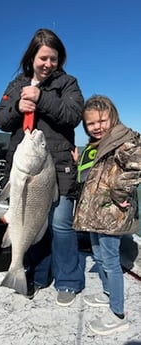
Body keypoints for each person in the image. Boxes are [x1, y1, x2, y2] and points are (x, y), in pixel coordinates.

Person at [0, 28, 85, 306]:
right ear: (32, 56)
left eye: (54, 59)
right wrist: (16, 107)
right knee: (30, 222)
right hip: (24, 167)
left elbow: (73, 115)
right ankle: (36, 274)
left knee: (60, 223)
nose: (48, 64)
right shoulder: (15, 85)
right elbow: (0, 119)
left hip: (57, 166)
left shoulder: (68, 83)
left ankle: (68, 280)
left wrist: (41, 98)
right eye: (43, 58)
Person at [73, 95, 141, 335]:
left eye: (102, 120)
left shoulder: (124, 139)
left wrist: (119, 192)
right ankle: (109, 294)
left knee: (111, 262)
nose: (97, 127)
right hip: (96, 216)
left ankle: (118, 313)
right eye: (91, 124)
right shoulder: (97, 144)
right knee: (100, 256)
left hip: (111, 214)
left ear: (112, 117)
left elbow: (137, 166)